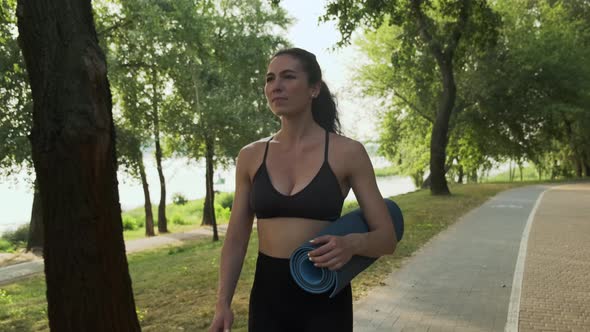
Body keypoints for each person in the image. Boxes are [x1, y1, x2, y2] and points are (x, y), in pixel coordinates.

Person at [208, 47, 397, 332]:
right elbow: (236, 238)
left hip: (324, 297)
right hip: (267, 299)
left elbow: (387, 238)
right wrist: (223, 303)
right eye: (270, 79)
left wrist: (351, 245)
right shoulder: (251, 155)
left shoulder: (347, 152)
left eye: (288, 77)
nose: (276, 86)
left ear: (314, 89)